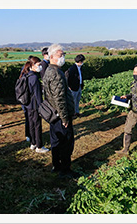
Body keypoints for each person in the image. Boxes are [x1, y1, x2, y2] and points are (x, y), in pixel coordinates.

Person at [42, 44, 79, 178]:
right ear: (51, 56)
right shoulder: (56, 73)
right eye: (60, 55)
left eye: (63, 54)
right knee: (66, 142)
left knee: (56, 141)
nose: (62, 57)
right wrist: (64, 118)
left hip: (53, 113)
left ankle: (56, 165)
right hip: (60, 114)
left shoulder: (48, 70)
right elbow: (59, 98)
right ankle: (65, 170)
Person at [20, 57, 49, 153]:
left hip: (28, 104)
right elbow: (38, 95)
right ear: (32, 65)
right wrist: (42, 107)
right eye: (38, 65)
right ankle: (39, 146)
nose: (40, 67)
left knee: (31, 124)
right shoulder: (35, 78)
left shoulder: (27, 75)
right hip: (35, 105)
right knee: (37, 125)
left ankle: (33, 143)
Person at [20, 55, 34, 142]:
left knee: (28, 118)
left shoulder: (25, 72)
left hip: (25, 100)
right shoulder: (28, 73)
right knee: (29, 119)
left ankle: (28, 135)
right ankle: (28, 135)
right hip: (27, 100)